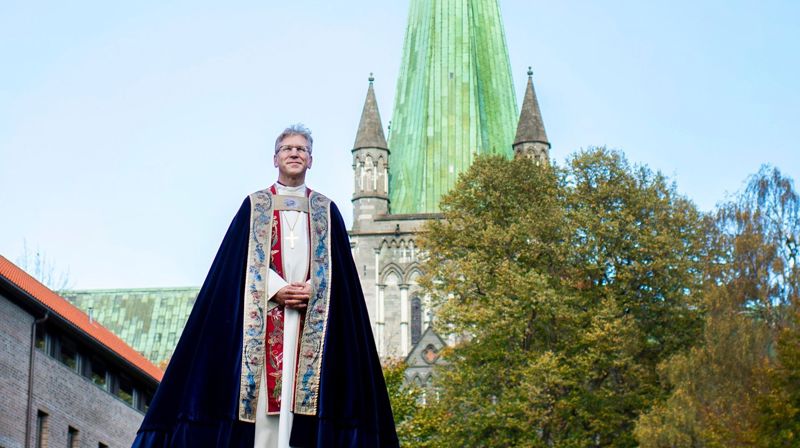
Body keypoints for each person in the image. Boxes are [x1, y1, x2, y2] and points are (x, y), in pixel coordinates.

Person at [131, 124, 398, 447]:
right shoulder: (254, 206)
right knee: (261, 413)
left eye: (302, 149)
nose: (295, 153)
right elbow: (233, 267)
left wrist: (317, 288)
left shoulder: (327, 210)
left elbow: (344, 277)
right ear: (275, 159)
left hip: (309, 321)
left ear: (311, 160)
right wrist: (273, 288)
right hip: (263, 320)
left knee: (304, 405)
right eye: (288, 149)